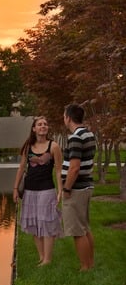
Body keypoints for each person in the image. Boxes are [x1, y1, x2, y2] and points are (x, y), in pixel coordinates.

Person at [13, 116, 63, 265]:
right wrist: (15, 188)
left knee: (46, 222)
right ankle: (41, 257)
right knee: (34, 223)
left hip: (46, 189)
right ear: (34, 129)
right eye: (39, 124)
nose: (43, 126)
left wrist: (60, 191)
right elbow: (22, 167)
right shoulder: (28, 147)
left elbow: (59, 170)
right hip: (29, 190)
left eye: (45, 124)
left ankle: (48, 260)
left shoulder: (53, 146)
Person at [61, 103, 96, 271]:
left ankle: (84, 266)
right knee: (85, 227)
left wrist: (66, 188)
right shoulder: (89, 134)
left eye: (64, 115)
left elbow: (74, 167)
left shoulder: (75, 137)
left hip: (76, 189)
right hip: (86, 186)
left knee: (77, 230)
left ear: (68, 117)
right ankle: (90, 263)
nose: (63, 119)